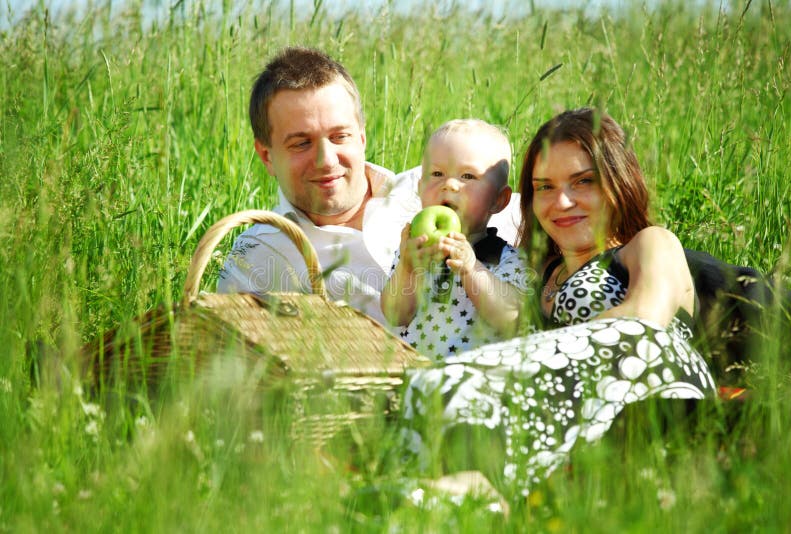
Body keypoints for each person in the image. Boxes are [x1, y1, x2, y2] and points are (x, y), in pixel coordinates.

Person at [399, 108, 717, 497]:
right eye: (545, 187)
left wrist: (474, 374)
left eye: (583, 181)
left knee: (442, 386)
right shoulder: (534, 278)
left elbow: (641, 324)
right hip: (568, 427)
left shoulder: (648, 244)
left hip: (651, 398)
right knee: (434, 427)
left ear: (619, 182)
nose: (561, 202)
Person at [217, 47, 519, 324]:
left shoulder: (437, 188)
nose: (325, 160)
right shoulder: (259, 255)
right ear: (267, 156)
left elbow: (549, 222)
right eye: (301, 143)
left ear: (361, 137)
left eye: (339, 137)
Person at [380, 119, 530, 359]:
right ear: (420, 188)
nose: (448, 184)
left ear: (499, 200)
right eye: (437, 173)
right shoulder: (415, 250)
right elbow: (396, 315)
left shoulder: (504, 259)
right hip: (413, 374)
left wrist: (471, 268)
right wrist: (407, 268)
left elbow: (511, 318)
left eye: (468, 176)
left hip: (472, 379)